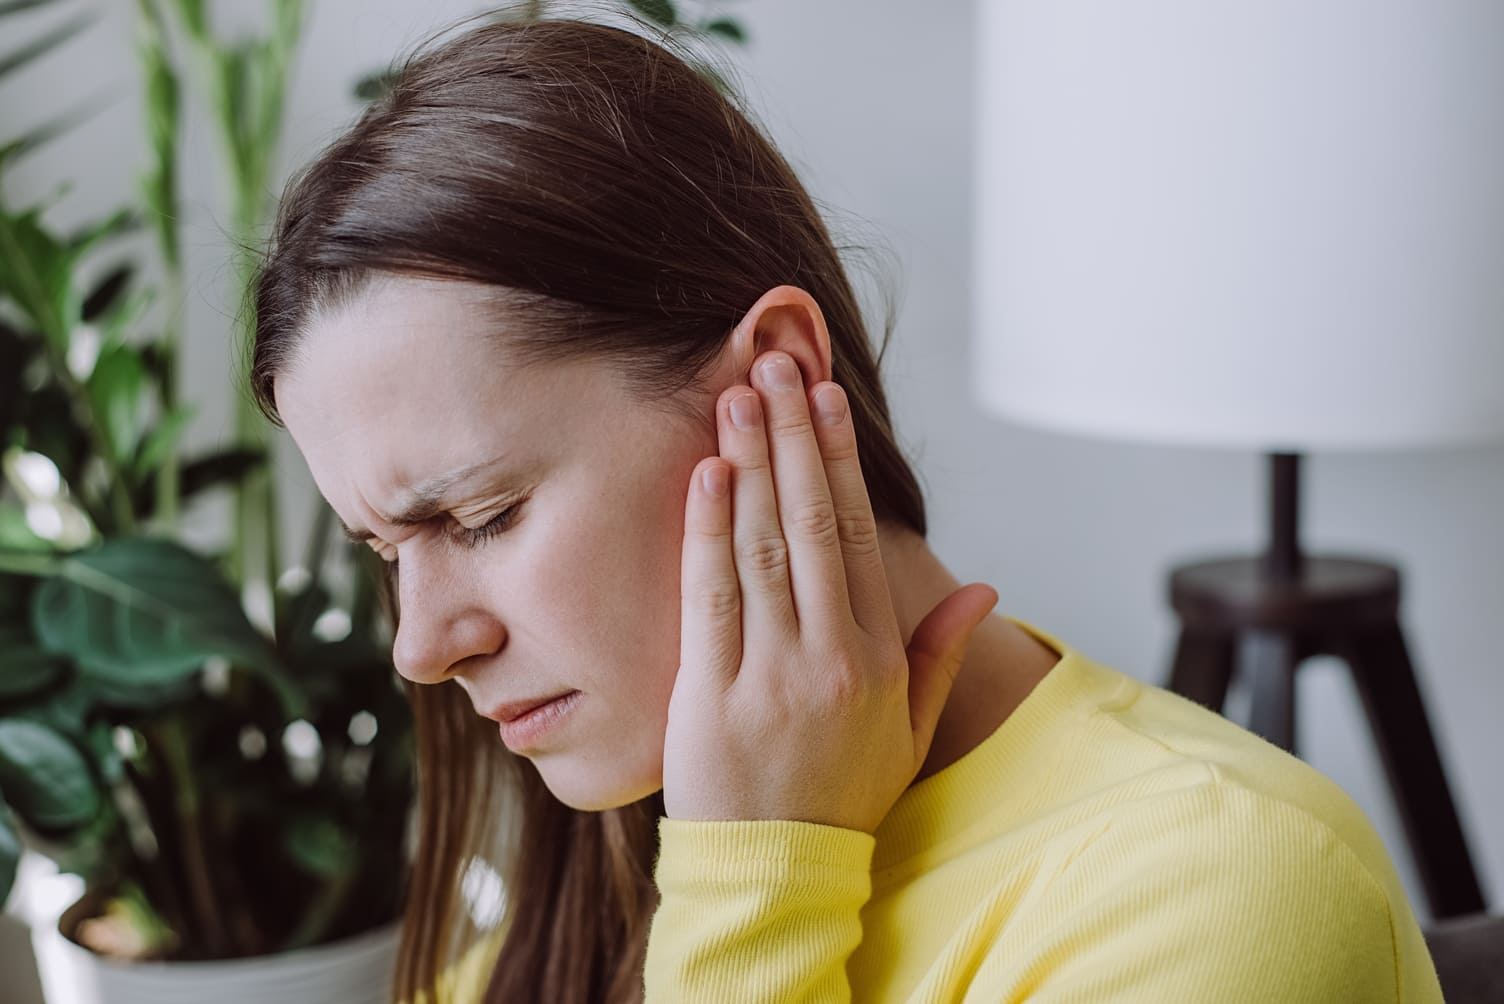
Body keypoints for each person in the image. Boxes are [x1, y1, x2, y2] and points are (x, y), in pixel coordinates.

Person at [248, 14, 1445, 1004]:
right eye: (384, 551)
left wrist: (753, 886)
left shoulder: (1219, 893)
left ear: (770, 375)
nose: (422, 646)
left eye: (481, 514)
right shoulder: (559, 912)